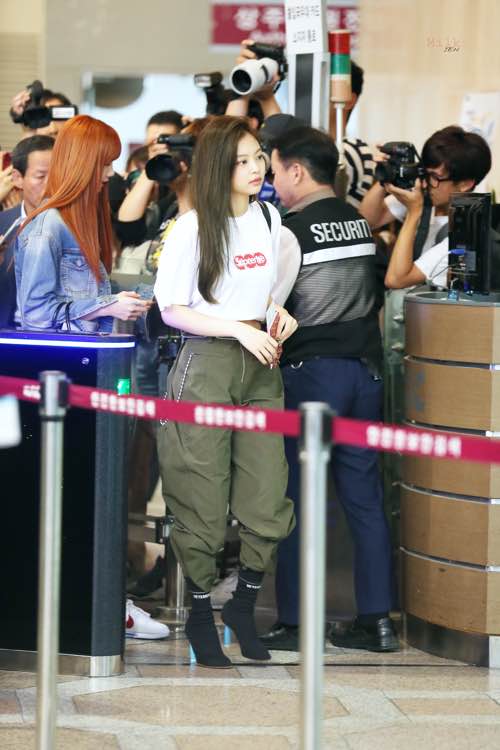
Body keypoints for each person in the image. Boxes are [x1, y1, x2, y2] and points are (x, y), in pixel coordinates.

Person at [154, 115, 297, 668]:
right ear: (218, 166)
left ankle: (242, 606)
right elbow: (172, 309)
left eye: (259, 156)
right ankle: (198, 616)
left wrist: (277, 314)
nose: (256, 168)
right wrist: (238, 329)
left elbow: (263, 293)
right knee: (202, 499)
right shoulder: (191, 228)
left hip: (261, 367)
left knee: (268, 495)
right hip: (205, 366)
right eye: (242, 160)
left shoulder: (269, 217)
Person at [259, 125, 398, 653]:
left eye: (274, 170)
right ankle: (377, 621)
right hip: (365, 373)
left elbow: (271, 308)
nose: (273, 182)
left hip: (312, 376)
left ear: (296, 171)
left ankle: (297, 622)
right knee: (365, 501)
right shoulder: (359, 222)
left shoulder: (291, 230)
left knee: (298, 497)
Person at [0, 135, 54, 328]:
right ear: (17, 178)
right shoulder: (3, 223)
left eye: (57, 175)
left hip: (56, 335)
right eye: (41, 176)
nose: (51, 185)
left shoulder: (74, 228)